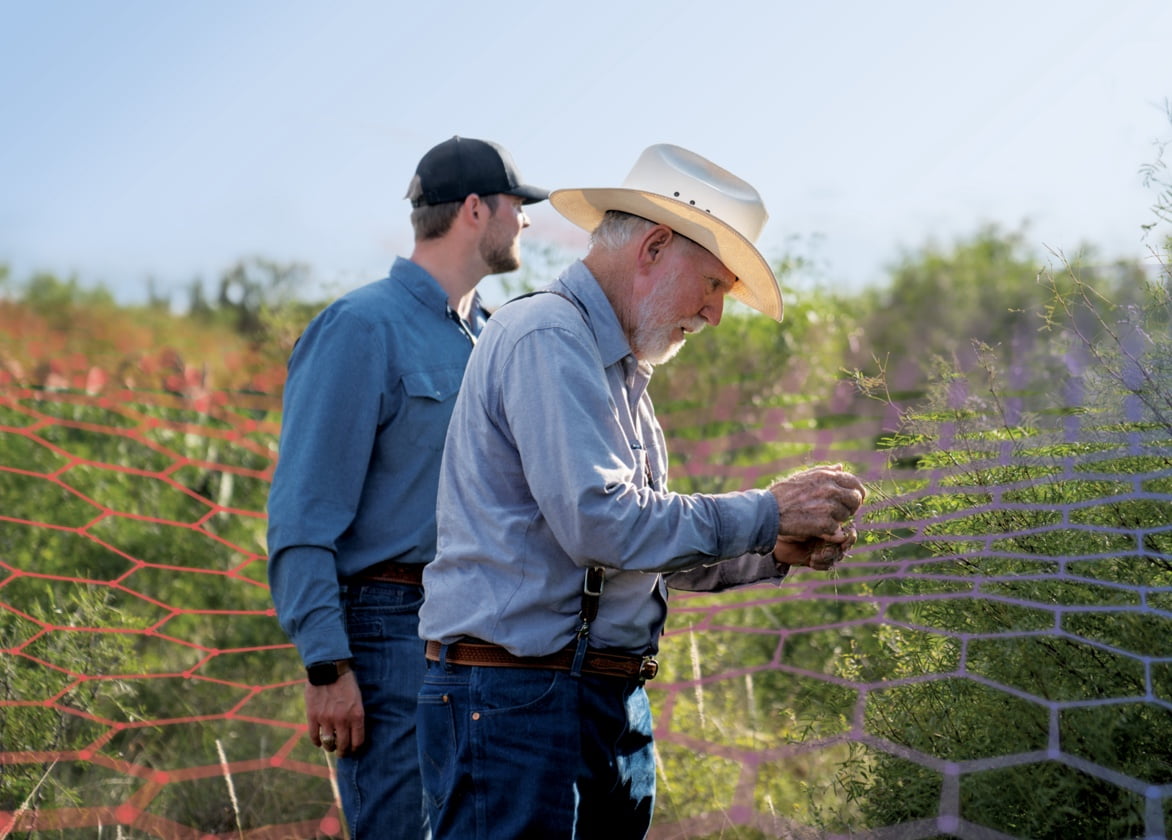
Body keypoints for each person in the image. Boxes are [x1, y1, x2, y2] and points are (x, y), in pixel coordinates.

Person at [416, 143, 868, 839]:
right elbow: (603, 524)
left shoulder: (619, 372)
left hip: (586, 697)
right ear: (655, 246)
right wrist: (766, 509)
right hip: (519, 701)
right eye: (714, 285)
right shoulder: (546, 336)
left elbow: (636, 549)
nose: (715, 314)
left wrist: (770, 546)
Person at [266, 136, 548, 838]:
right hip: (393, 637)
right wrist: (327, 665)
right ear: (477, 210)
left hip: (492, 635)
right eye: (519, 206)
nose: (528, 222)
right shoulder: (360, 328)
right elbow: (302, 513)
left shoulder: (492, 338)